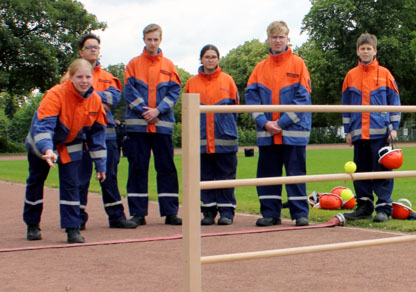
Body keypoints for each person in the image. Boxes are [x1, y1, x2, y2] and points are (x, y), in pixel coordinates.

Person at [23, 59, 107, 243]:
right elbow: (44, 126)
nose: (84, 81)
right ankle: (32, 224)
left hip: (70, 144)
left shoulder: (95, 101)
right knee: (36, 181)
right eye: (79, 77)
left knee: (71, 184)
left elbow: (98, 136)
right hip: (41, 144)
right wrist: (48, 149)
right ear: (70, 77)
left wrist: (101, 165)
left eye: (88, 77)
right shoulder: (55, 94)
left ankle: (72, 228)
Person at [245, 20, 312, 227]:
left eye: (281, 37)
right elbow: (251, 97)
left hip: (293, 132)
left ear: (287, 38)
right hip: (267, 133)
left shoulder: (298, 64)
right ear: (268, 39)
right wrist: (265, 123)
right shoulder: (259, 68)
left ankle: (300, 214)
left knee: (295, 174)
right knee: (267, 175)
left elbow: (303, 97)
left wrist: (280, 123)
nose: (277, 40)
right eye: (274, 37)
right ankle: (270, 213)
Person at [123, 23, 182, 226]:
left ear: (160, 40)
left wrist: (158, 111)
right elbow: (129, 91)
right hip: (138, 126)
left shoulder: (169, 65)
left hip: (162, 125)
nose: (152, 43)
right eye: (149, 39)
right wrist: (145, 111)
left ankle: (170, 212)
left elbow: (174, 92)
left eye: (156, 39)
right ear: (144, 40)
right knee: (138, 168)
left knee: (166, 168)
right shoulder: (133, 64)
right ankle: (138, 213)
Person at [76, 33, 137, 230]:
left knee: (109, 176)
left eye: (96, 47)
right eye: (89, 47)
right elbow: (71, 99)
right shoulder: (71, 76)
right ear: (81, 52)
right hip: (81, 134)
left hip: (107, 133)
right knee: (80, 178)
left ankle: (116, 217)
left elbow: (114, 99)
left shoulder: (108, 77)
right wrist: (100, 99)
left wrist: (88, 94)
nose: (93, 50)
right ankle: (77, 218)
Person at [342, 33, 401, 223]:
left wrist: (394, 128)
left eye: (369, 48)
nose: (365, 52)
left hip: (380, 133)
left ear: (375, 51)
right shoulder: (350, 76)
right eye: (362, 48)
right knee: (361, 173)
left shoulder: (385, 74)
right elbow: (346, 106)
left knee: (382, 171)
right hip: (359, 133)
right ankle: (364, 207)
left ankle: (383, 208)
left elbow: (395, 102)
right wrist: (348, 130)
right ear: (357, 51)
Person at [184, 44, 239, 225]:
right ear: (201, 59)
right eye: (207, 56)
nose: (210, 60)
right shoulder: (192, 82)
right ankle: (208, 211)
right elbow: (187, 110)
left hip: (224, 138)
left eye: (213, 56)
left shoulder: (228, 80)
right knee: (204, 176)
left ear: (218, 59)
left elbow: (236, 108)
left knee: (226, 176)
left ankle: (227, 212)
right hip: (200, 140)